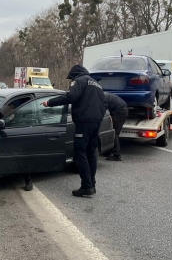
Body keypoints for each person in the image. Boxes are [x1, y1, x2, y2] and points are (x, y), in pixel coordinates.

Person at [42, 65, 106, 197]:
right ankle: (92, 184)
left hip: (84, 123)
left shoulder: (79, 81)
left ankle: (86, 186)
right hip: (96, 122)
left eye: (71, 77)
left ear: (75, 74)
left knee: (80, 153)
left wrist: (50, 103)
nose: (71, 80)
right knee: (91, 153)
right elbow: (104, 103)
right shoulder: (96, 84)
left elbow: (71, 97)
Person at [104, 92, 128, 161]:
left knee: (114, 132)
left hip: (119, 111)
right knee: (112, 131)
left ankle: (117, 155)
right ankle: (109, 151)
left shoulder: (102, 98)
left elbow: (103, 111)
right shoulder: (103, 95)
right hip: (122, 109)